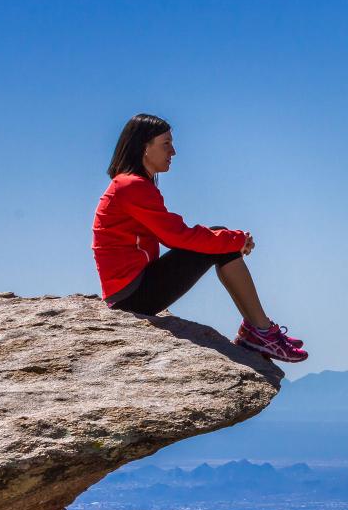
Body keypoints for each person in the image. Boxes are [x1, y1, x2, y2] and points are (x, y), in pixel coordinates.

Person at [91, 113, 308, 363]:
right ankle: (260, 332)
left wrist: (228, 239)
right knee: (221, 242)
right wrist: (235, 240)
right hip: (131, 297)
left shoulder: (134, 185)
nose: (173, 152)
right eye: (166, 144)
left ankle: (258, 330)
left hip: (130, 291)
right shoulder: (131, 186)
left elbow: (175, 236)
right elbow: (176, 236)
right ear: (144, 147)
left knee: (220, 240)